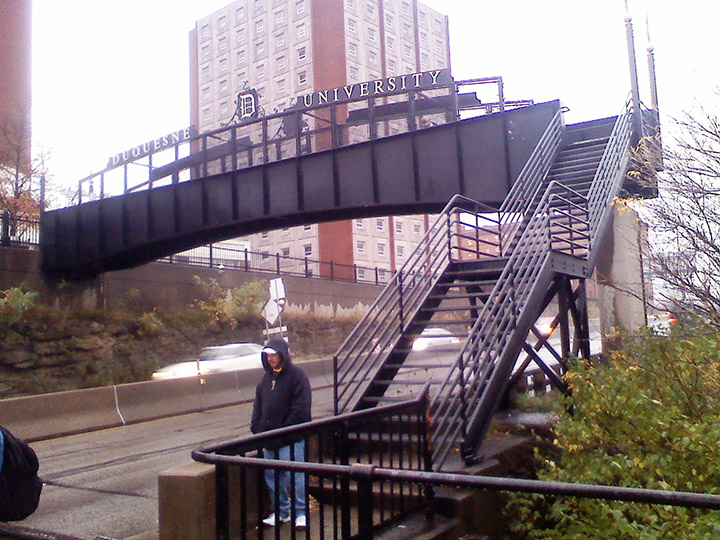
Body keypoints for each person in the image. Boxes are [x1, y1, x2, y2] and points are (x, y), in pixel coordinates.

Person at [250, 338, 311, 530]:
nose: (270, 359)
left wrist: (285, 430)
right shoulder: (266, 380)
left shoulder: (297, 376)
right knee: (273, 476)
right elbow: (258, 406)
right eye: (267, 355)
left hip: (290, 438)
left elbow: (301, 409)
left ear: (283, 354)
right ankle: (281, 511)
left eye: (274, 355)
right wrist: (257, 428)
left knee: (295, 475)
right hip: (269, 439)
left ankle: (301, 513)